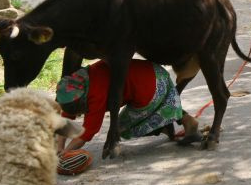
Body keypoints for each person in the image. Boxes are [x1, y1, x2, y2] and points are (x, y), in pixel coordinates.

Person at [55, 59, 201, 155]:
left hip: (152, 87)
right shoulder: (78, 82)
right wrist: (59, 147)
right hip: (154, 72)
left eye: (79, 111)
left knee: (119, 129)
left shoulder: (95, 94)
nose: (79, 114)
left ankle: (162, 126)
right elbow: (67, 115)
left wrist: (65, 153)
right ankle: (183, 121)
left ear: (82, 100)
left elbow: (87, 132)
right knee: (146, 103)